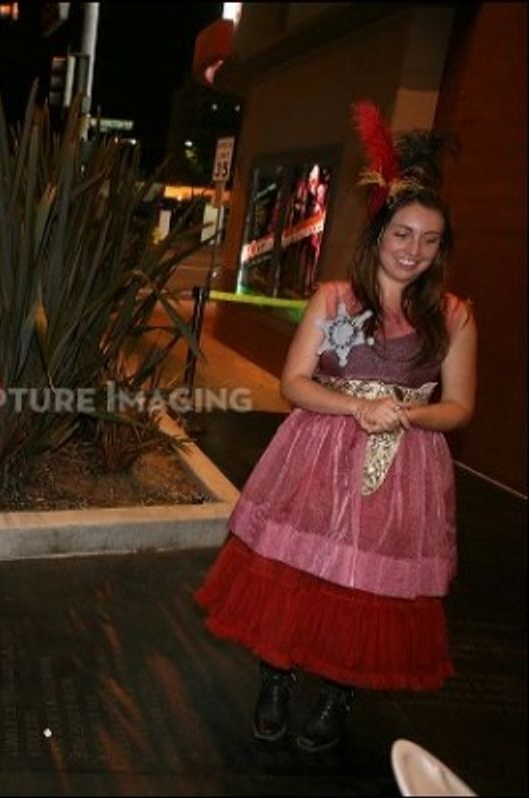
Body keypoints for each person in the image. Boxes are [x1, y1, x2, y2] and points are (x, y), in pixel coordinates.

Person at [195, 102, 477, 753]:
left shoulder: (454, 315)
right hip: (318, 449)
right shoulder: (333, 298)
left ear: (442, 249)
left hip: (404, 464)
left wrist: (404, 414)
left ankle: (336, 695)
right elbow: (295, 382)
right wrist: (355, 407)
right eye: (403, 234)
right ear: (379, 233)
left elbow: (460, 406)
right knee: (296, 569)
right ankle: (275, 681)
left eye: (430, 241)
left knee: (367, 582)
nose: (414, 251)